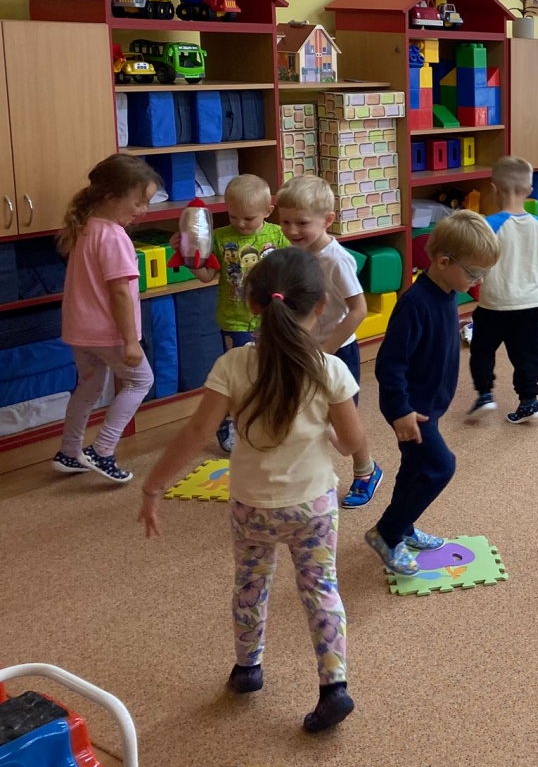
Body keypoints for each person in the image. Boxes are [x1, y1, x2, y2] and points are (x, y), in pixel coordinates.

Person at [139, 247, 364, 734]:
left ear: (253, 305)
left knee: (250, 585)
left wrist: (154, 487)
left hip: (253, 507)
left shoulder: (233, 365)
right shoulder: (330, 369)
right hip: (314, 506)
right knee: (320, 589)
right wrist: (328, 432)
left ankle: (248, 670)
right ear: (321, 306)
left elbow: (197, 433)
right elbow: (351, 443)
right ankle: (334, 687)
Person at [366, 211, 499, 576]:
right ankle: (387, 533)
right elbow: (389, 364)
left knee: (414, 467)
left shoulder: (447, 294)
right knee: (440, 467)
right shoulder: (415, 303)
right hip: (412, 409)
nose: (478, 280)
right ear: (443, 262)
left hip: (429, 404)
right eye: (474, 272)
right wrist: (400, 411)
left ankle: (403, 527)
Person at [52, 154, 162, 483]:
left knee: (89, 387)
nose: (143, 210)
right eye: (138, 202)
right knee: (140, 381)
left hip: (79, 330)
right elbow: (119, 294)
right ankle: (103, 450)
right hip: (107, 333)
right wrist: (130, 341)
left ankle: (69, 451)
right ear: (111, 196)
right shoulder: (114, 237)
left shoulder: (86, 227)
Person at [274, 176, 382, 508]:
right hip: (303, 348)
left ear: (327, 220)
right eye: (285, 222)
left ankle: (366, 471)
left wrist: (327, 350)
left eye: (301, 223)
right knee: (301, 413)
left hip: (336, 351)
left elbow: (358, 309)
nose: (292, 230)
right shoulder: (294, 253)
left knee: (343, 419)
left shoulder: (336, 259)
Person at [187, 174, 288, 453]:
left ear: (268, 211)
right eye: (233, 217)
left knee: (269, 373)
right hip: (235, 320)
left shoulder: (278, 235)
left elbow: (293, 272)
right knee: (240, 375)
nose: (240, 224)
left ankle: (265, 421)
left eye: (248, 218)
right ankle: (228, 421)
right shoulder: (220, 238)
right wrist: (188, 256)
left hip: (271, 320)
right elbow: (206, 276)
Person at [466, 157, 538, 424]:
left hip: (493, 303)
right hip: (528, 304)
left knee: (482, 350)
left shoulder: (488, 224)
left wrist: (473, 279)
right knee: (529, 353)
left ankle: (485, 394)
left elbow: (476, 259)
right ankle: (529, 401)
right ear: (529, 191)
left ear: (494, 189)